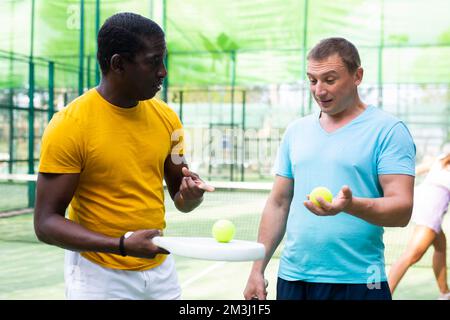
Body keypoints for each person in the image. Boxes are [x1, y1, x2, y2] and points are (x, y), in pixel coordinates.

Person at [34, 12, 213, 300]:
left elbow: (182, 195)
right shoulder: (68, 125)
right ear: (118, 64)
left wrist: (192, 194)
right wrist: (120, 244)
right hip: (98, 275)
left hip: (160, 269)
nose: (163, 72)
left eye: (163, 59)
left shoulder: (169, 119)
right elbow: (45, 223)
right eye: (154, 61)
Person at [243, 37, 416, 300]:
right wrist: (257, 269)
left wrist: (350, 205)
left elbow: (401, 210)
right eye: (312, 80)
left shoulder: (389, 131)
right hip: (293, 278)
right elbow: (278, 203)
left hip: (360, 280)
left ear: (357, 76)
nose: (319, 90)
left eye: (330, 79)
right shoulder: (296, 131)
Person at [388, 152, 450, 299]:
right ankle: (383, 295)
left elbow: (414, 171)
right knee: (411, 255)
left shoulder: (440, 159)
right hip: (430, 211)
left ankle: (444, 293)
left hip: (422, 201)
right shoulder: (440, 160)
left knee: (440, 246)